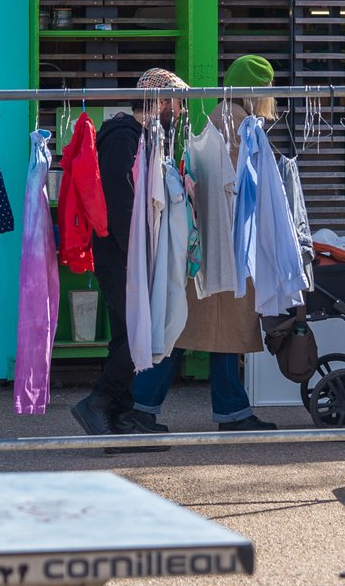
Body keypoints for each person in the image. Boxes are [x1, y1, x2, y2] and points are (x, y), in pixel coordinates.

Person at [129, 54, 278, 432]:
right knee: (212, 333)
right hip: (226, 247)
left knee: (185, 329)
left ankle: (148, 405)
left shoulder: (220, 118)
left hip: (205, 245)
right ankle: (157, 407)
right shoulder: (239, 125)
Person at [70, 67, 186, 444]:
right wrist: (137, 253)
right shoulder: (124, 138)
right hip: (122, 254)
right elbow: (120, 203)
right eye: (178, 104)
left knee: (126, 333)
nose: (181, 112)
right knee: (140, 332)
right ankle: (99, 403)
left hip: (129, 253)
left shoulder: (145, 137)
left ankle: (119, 413)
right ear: (161, 102)